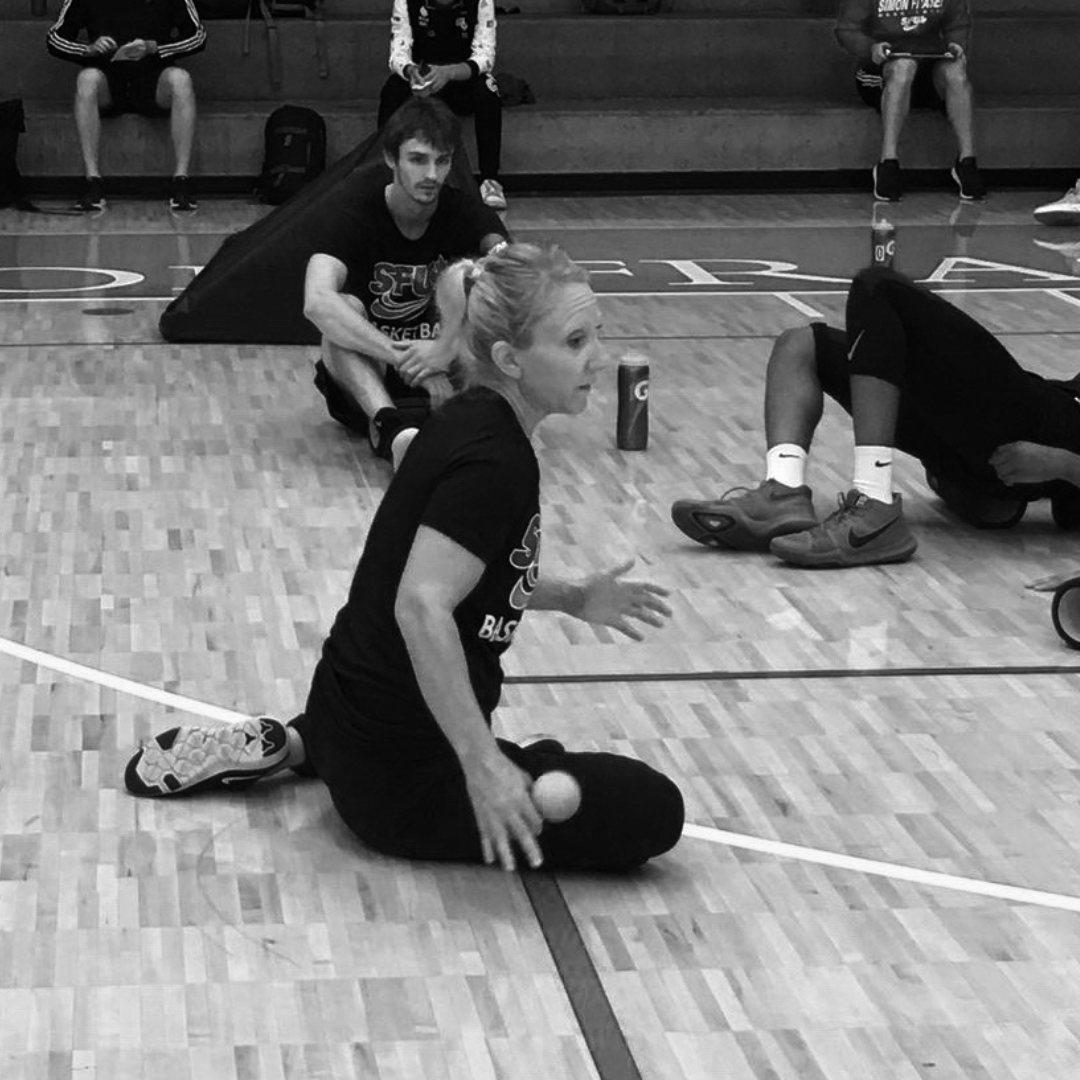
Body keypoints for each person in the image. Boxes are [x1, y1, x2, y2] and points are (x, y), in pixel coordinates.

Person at [124, 243, 685, 875]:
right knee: (651, 809)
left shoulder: (468, 418)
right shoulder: (496, 463)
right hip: (398, 786)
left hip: (345, 709)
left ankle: (304, 745)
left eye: (597, 335)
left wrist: (574, 598)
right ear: (510, 359)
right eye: (576, 341)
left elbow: (473, 577)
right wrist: (485, 768)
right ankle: (363, 758)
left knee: (555, 771)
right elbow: (421, 606)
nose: (597, 357)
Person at [671, 267, 1080, 569]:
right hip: (1001, 436)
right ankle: (783, 490)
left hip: (1047, 429)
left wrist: (1060, 463)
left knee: (877, 287)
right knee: (801, 345)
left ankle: (875, 503)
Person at [303, 98, 509, 469]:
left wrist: (444, 352)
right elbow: (316, 301)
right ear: (390, 159)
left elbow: (514, 275)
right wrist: (404, 357)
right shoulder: (353, 208)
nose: (431, 174)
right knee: (341, 310)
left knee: (483, 285)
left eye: (442, 161)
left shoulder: (464, 210)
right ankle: (390, 429)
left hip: (446, 376)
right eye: (418, 159)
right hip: (371, 374)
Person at [47, 0, 206, 214]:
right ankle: (92, 181)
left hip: (153, 76)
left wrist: (154, 47)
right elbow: (55, 39)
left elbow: (198, 37)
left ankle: (181, 181)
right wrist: (88, 49)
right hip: (108, 78)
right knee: (86, 79)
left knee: (181, 80)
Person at [835, 0, 983, 203]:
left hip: (928, 61)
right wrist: (871, 47)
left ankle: (967, 162)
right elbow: (847, 29)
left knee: (956, 72)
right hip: (881, 68)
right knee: (904, 67)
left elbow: (956, 23)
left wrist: (956, 45)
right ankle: (888, 162)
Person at [379, 0, 507, 211]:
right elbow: (397, 54)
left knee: (489, 90)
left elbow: (485, 56)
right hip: (423, 78)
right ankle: (383, 174)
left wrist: (449, 73)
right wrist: (412, 72)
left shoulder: (481, 2)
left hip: (460, 77)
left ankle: (490, 180)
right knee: (392, 89)